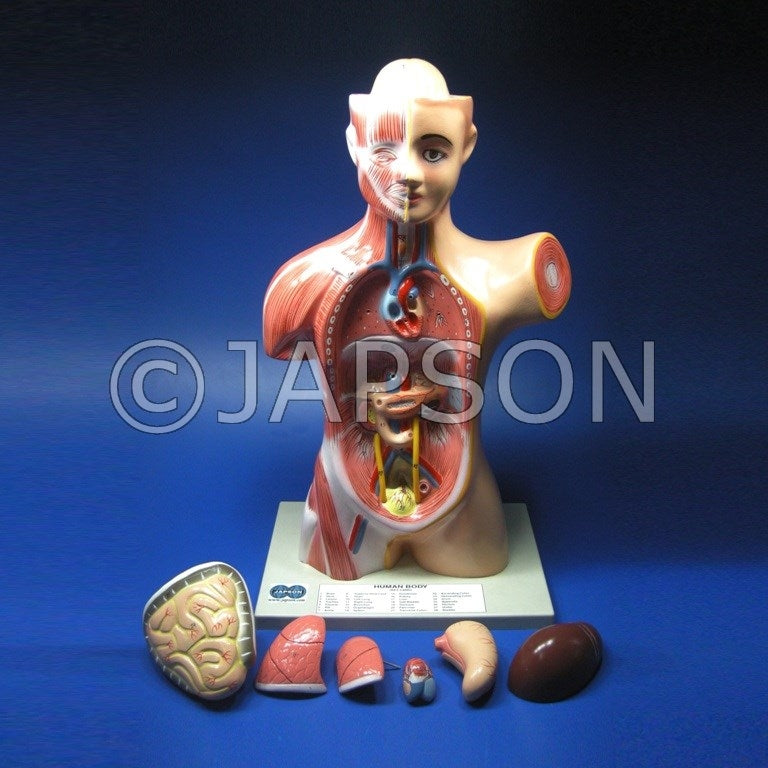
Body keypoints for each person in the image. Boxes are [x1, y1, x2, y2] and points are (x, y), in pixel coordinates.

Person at [264, 59, 570, 580]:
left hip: (464, 516)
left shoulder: (513, 271)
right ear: (354, 143)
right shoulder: (301, 286)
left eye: (433, 151)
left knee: (476, 564)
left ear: (466, 146)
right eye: (385, 150)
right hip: (346, 512)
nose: (407, 174)